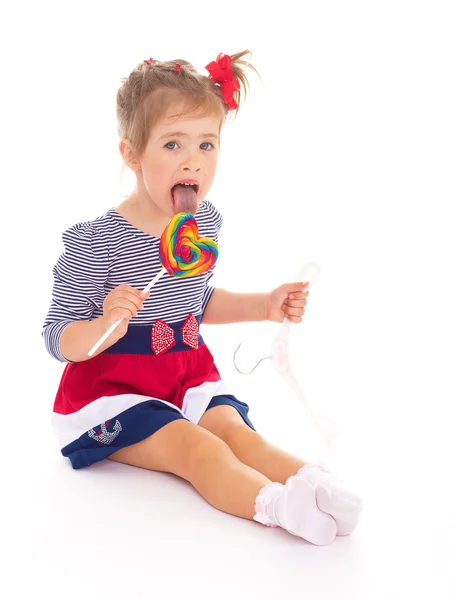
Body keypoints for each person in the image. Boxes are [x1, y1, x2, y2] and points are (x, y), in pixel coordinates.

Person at [42, 51, 362, 546]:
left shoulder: (201, 224)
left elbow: (197, 300)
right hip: (112, 388)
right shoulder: (94, 240)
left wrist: (263, 305)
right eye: (173, 144)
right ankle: (276, 507)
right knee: (199, 449)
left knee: (239, 435)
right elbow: (58, 338)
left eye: (207, 144)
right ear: (131, 154)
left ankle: (317, 485)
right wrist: (107, 322)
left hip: (185, 372)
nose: (193, 160)